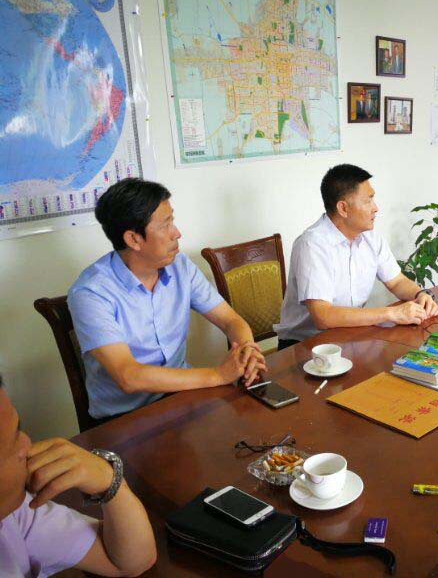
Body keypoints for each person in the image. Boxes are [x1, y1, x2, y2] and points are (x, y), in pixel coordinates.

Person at [68, 179, 266, 421]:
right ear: (133, 239)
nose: (177, 233)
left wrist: (247, 352)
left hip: (181, 398)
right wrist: (217, 375)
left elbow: (230, 320)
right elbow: (128, 376)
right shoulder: (91, 292)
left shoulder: (179, 266)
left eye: (173, 220)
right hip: (125, 419)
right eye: (166, 224)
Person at [0, 374, 156, 576]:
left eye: (18, 430)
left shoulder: (14, 516)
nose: (26, 444)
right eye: (11, 441)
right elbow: (129, 377)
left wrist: (110, 483)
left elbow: (130, 561)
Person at [275, 164, 438, 349]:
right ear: (343, 208)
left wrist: (420, 294)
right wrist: (391, 313)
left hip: (349, 336)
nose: (376, 208)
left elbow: (397, 282)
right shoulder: (312, 244)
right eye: (368, 201)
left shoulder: (371, 237)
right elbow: (323, 316)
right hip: (304, 346)